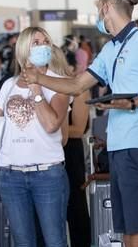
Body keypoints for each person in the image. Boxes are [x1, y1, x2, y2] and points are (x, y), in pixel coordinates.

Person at [20, 0, 138, 247]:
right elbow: (76, 85)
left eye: (99, 9)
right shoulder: (111, 49)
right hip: (118, 147)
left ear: (107, 7)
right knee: (128, 230)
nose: (99, 15)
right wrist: (38, 78)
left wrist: (137, 102)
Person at [0, 27, 70, 247]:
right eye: (36, 42)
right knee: (22, 241)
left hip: (47, 174)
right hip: (11, 176)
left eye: (45, 41)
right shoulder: (8, 86)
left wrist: (37, 89)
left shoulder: (59, 83)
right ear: (23, 50)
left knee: (54, 241)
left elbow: (52, 124)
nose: (43, 46)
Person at [54, 45, 91, 247]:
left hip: (71, 152)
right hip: (48, 154)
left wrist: (52, 129)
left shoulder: (77, 89)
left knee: (75, 206)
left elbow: (79, 128)